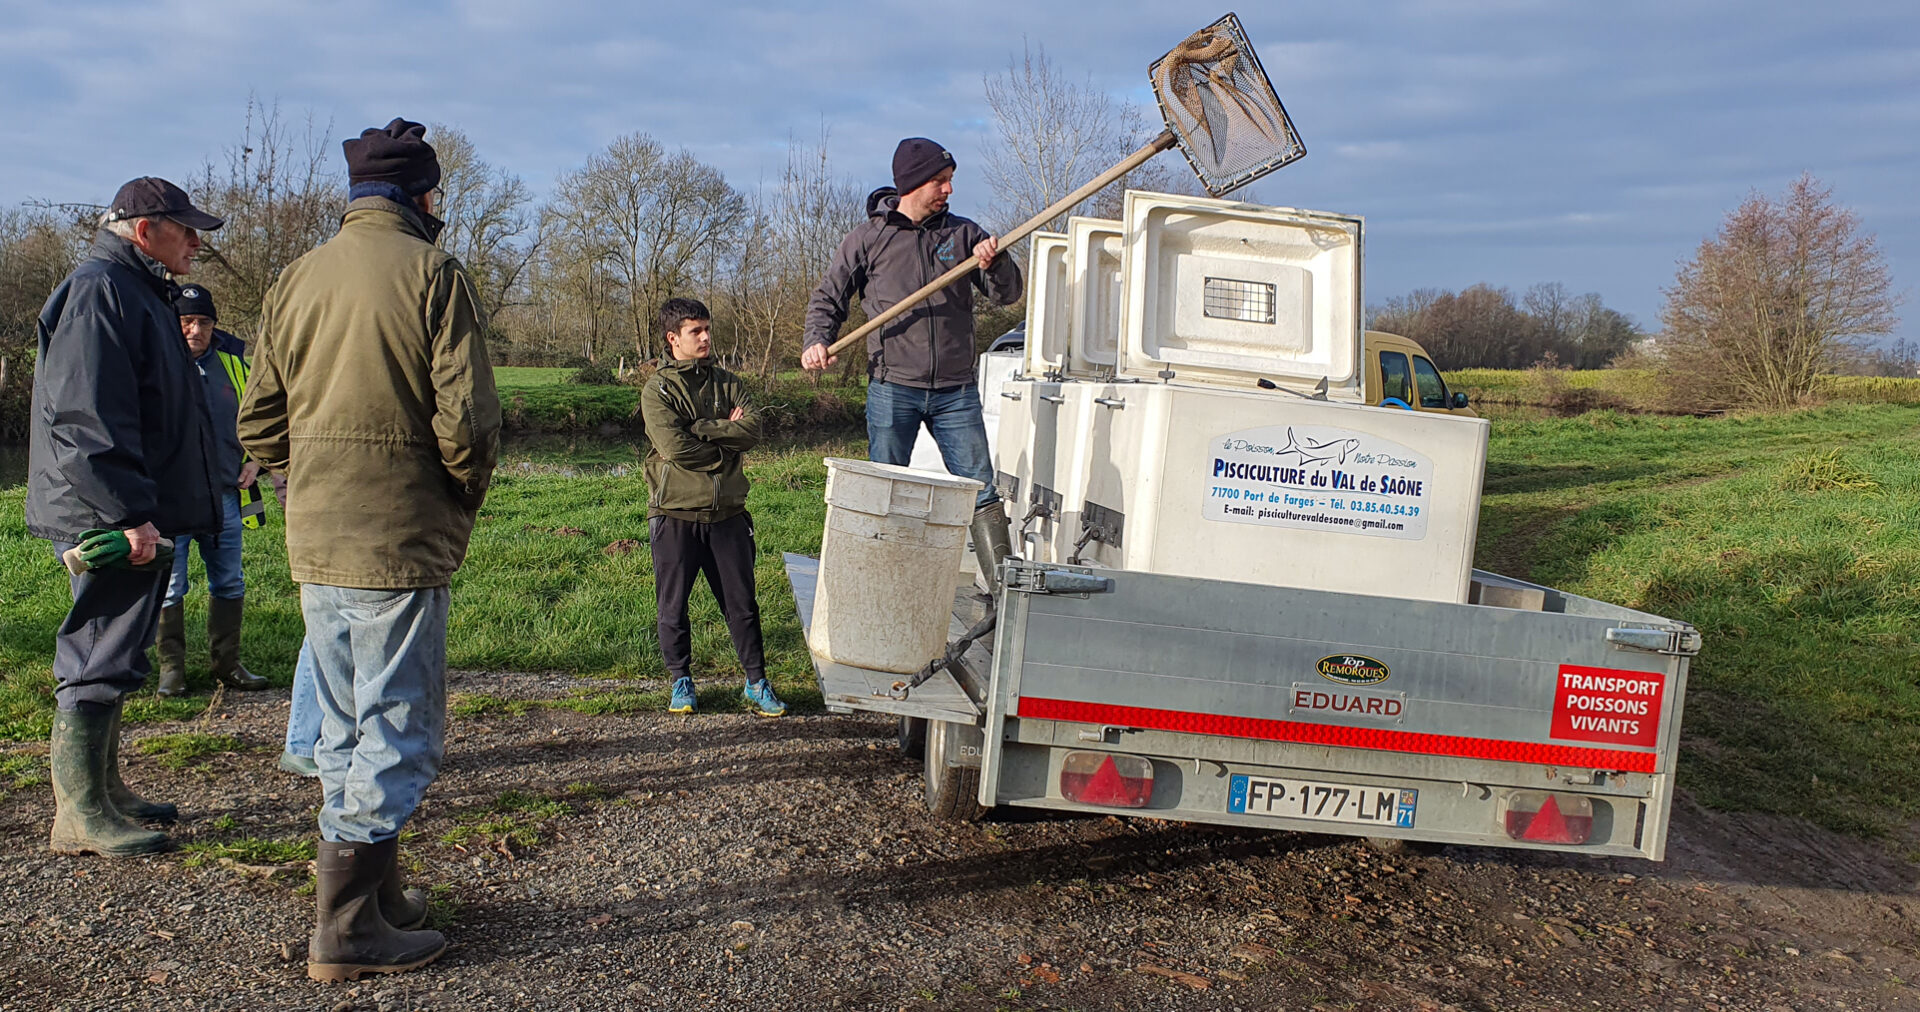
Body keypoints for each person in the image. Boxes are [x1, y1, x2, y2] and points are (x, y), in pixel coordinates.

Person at [238, 118, 500, 982]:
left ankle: (373, 899)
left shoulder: (295, 277)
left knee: (346, 727)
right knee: (399, 731)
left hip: (316, 539)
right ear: (424, 198)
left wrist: (304, 486)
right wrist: (457, 495)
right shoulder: (434, 273)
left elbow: (259, 423)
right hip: (397, 539)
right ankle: (346, 932)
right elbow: (467, 423)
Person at [24, 176, 226, 856]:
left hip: (125, 507)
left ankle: (103, 791)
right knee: (97, 650)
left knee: (119, 649)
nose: (197, 241)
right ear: (146, 232)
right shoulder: (99, 291)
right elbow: (87, 418)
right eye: (186, 229)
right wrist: (130, 512)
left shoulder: (136, 289)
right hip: (103, 513)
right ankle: (78, 815)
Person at [801, 137, 1023, 589]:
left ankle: (1007, 594)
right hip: (892, 387)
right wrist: (816, 341)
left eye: (950, 181)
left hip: (956, 391)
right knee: (885, 490)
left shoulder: (963, 235)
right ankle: (880, 584)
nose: (948, 190)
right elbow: (829, 297)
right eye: (940, 181)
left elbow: (1007, 295)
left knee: (982, 490)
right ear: (914, 183)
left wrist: (995, 264)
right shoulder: (868, 239)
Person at [641, 298, 784, 718]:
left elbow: (753, 427)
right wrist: (726, 439)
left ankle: (757, 683)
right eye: (694, 331)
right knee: (672, 605)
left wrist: (702, 427)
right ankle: (681, 681)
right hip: (675, 514)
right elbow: (674, 448)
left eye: (707, 329)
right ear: (673, 339)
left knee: (742, 605)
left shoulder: (728, 382)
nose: (705, 337)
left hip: (728, 516)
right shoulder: (659, 389)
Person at [154, 283, 270, 697]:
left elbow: (258, 417)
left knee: (230, 581)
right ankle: (172, 671)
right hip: (173, 499)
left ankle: (228, 665)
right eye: (187, 321)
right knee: (171, 584)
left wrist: (255, 460)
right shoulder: (156, 362)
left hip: (225, 493)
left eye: (203, 322)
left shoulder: (235, 364)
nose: (195, 330)